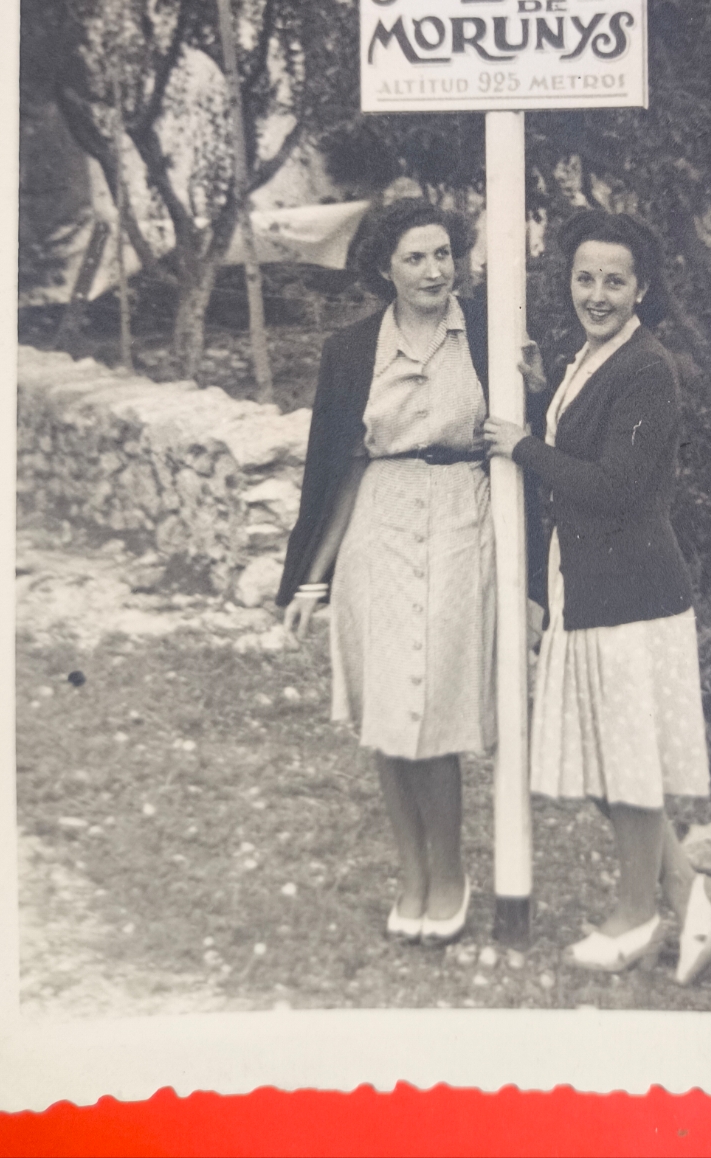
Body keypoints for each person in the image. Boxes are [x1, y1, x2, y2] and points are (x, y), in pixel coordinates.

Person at [484, 209, 711, 982]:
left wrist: (521, 447)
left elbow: (616, 487)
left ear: (641, 288)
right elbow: (597, 438)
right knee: (610, 763)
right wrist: (548, 390)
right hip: (590, 588)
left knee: (623, 767)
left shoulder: (647, 365)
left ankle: (637, 917)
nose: (597, 292)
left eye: (615, 280)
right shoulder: (595, 355)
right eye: (585, 277)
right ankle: (688, 893)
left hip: (632, 598)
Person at [278, 198, 495, 946]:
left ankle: (451, 872)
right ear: (385, 269)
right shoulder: (352, 349)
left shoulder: (494, 335)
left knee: (431, 709)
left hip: (464, 519)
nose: (434, 271)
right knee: (384, 714)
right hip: (380, 522)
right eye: (415, 258)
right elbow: (337, 467)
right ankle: (413, 875)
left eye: (443, 254)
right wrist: (313, 576)